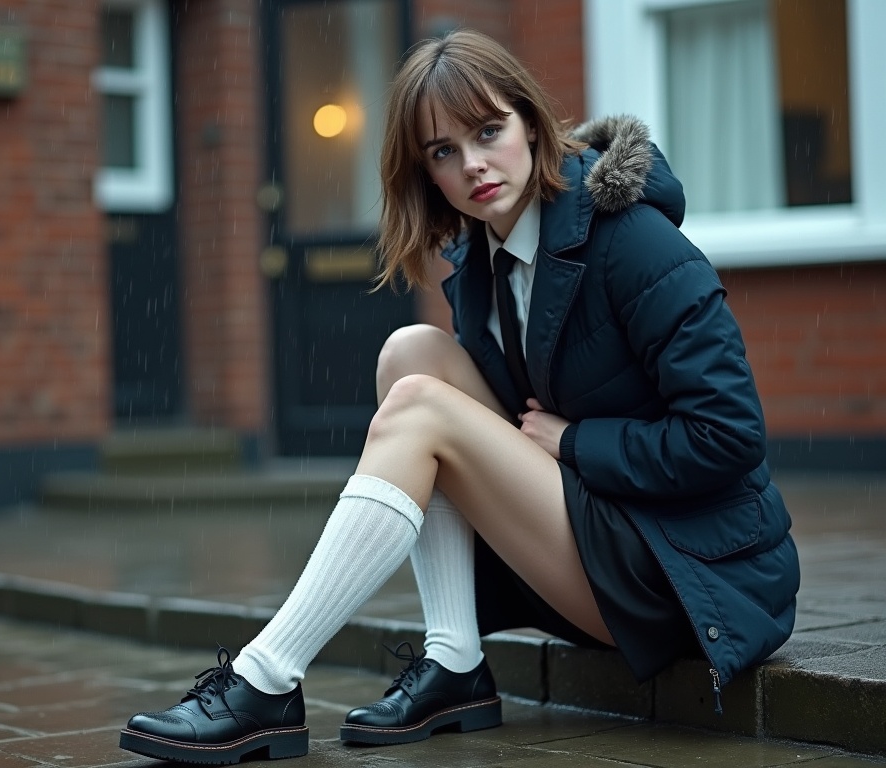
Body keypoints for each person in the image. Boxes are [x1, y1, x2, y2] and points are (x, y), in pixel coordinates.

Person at [119, 28, 800, 765]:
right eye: (444, 151)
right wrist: (557, 445)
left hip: (693, 574)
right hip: (604, 525)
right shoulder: (482, 258)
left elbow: (730, 437)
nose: (474, 164)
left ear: (532, 125)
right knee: (409, 355)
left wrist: (572, 443)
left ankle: (265, 680)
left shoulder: (634, 241)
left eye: (488, 131)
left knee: (420, 407)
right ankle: (454, 661)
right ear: (426, 175)